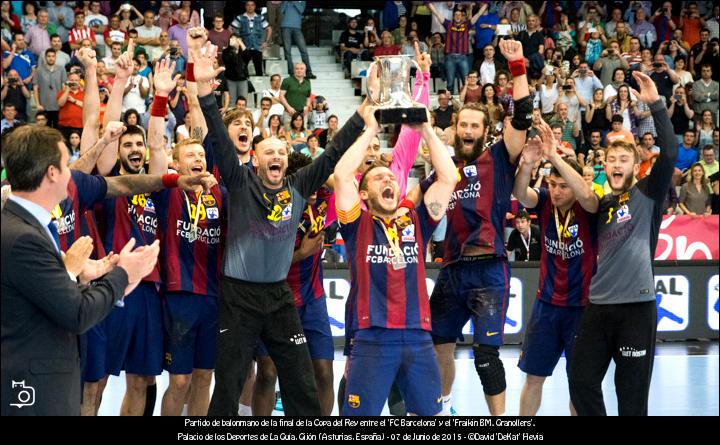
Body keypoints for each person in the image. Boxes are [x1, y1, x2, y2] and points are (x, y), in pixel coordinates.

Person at [191, 38, 365, 416]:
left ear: (287, 162)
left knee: (301, 380)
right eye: (268, 151)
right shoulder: (239, 183)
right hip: (238, 297)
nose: (277, 155)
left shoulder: (299, 186)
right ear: (255, 159)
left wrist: (363, 114)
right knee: (231, 380)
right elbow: (219, 141)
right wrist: (204, 89)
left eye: (281, 152)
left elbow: (332, 153)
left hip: (280, 297)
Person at [0, 124, 161, 416]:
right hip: (30, 389)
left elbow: (42, 292)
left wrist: (78, 274)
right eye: (65, 164)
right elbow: (76, 313)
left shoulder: (24, 224)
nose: (72, 172)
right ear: (51, 173)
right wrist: (124, 274)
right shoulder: (24, 237)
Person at [407, 39, 531, 416]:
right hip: (452, 270)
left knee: (485, 357)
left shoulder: (499, 157)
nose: (467, 130)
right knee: (436, 344)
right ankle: (442, 409)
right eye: (463, 124)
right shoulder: (446, 170)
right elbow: (411, 199)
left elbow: (522, 117)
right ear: (455, 128)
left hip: (489, 271)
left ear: (485, 130)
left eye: (475, 125)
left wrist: (517, 66)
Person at [336, 102, 457, 416]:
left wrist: (426, 129)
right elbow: (341, 174)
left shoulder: (415, 222)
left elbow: (448, 178)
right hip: (373, 337)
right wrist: (372, 128)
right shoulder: (356, 224)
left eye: (390, 177)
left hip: (418, 335)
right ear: (363, 194)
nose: (388, 181)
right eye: (378, 179)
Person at [568, 71, 678, 416]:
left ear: (635, 165)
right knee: (581, 380)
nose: (616, 164)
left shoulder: (647, 193)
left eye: (624, 159)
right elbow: (579, 192)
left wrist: (656, 104)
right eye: (611, 160)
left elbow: (671, 153)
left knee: (631, 398)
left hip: (636, 308)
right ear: (604, 165)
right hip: (598, 307)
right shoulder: (599, 205)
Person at [513, 121, 600, 416]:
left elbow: (587, 195)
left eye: (564, 185)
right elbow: (522, 194)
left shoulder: (590, 210)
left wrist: (556, 158)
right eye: (553, 184)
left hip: (581, 308)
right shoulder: (546, 201)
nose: (558, 191)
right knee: (534, 377)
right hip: (546, 306)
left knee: (579, 382)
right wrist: (527, 164)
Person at [231, 1, 271, 77]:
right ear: (245, 6)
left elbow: (269, 28)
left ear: (255, 6)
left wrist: (266, 41)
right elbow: (230, 28)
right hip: (245, 47)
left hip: (257, 47)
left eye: (252, 5)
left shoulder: (260, 17)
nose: (250, 7)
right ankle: (245, 87)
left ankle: (259, 87)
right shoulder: (240, 17)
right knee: (242, 69)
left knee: (259, 70)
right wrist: (236, 40)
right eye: (248, 5)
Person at [281, 2, 316, 79]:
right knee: (287, 51)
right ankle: (291, 72)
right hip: (285, 26)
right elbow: (281, 10)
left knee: (303, 50)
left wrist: (294, 2)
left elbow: (301, 10)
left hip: (297, 27)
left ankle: (308, 72)